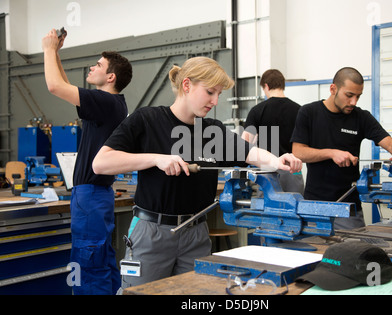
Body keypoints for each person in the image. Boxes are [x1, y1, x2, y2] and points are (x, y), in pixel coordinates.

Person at [92, 57, 302, 290]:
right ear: (187, 85)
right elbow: (101, 163)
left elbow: (249, 152)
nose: (214, 101)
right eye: (210, 92)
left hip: (196, 234)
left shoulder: (212, 130)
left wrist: (277, 159)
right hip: (151, 233)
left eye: (218, 95)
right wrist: (156, 159)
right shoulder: (148, 119)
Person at [42, 29, 133, 295]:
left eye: (99, 65)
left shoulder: (105, 101)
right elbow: (66, 86)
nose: (92, 67)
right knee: (100, 260)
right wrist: (56, 54)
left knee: (86, 265)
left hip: (90, 196)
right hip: (95, 194)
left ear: (110, 77)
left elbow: (54, 87)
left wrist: (47, 49)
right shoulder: (109, 103)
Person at [291, 67, 392, 230]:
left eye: (358, 96)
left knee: (354, 253)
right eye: (349, 95)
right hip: (313, 206)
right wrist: (332, 153)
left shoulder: (361, 117)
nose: (353, 102)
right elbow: (298, 152)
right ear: (333, 89)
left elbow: (388, 142)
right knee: (314, 252)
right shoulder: (308, 113)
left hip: (349, 209)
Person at [242, 69, 304, 194]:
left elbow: (243, 144)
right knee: (295, 209)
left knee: (268, 211)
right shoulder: (300, 110)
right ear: (282, 85)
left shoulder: (257, 110)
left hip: (268, 172)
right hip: (293, 170)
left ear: (266, 86)